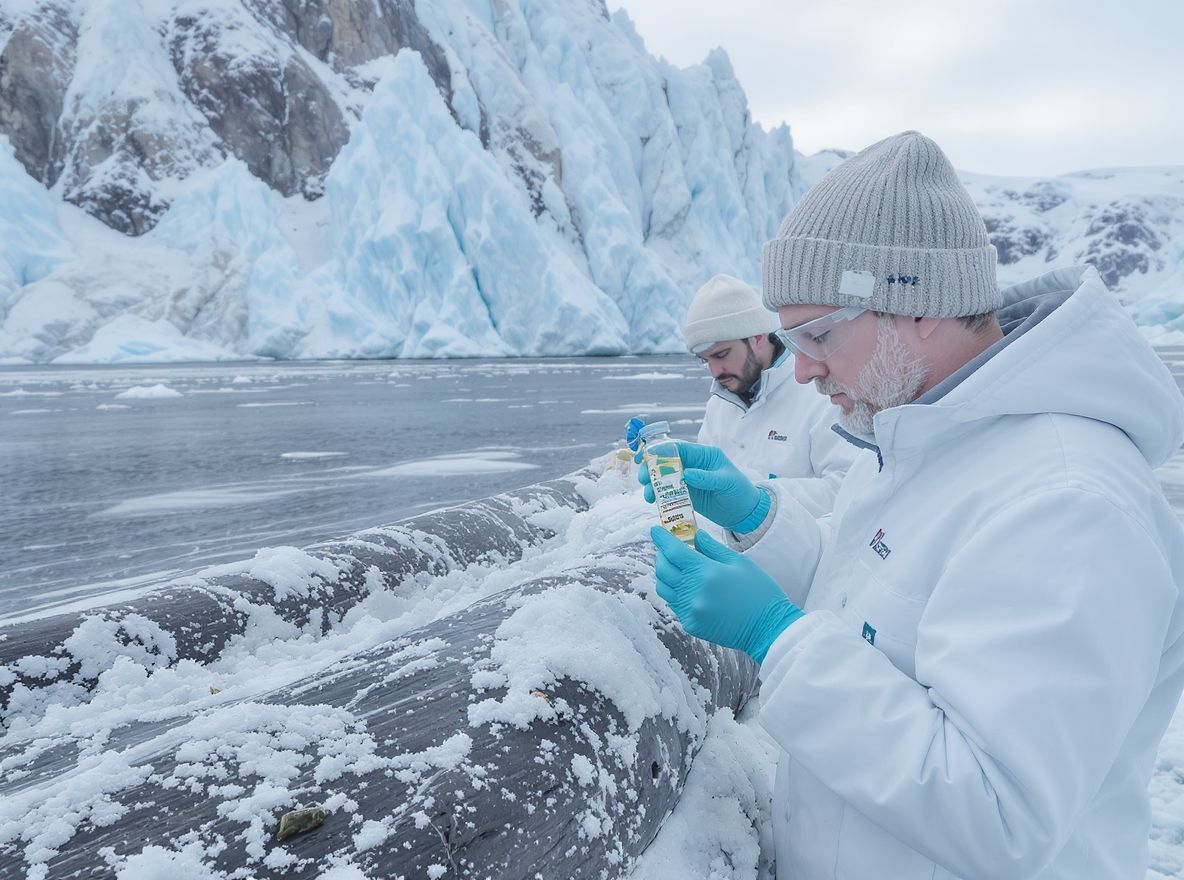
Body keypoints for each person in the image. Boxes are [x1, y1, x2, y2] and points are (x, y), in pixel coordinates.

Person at [642, 131, 1184, 880]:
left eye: (819, 332)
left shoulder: (1070, 501)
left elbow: (1000, 813)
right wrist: (754, 517)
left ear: (918, 306)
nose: (801, 370)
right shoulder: (917, 433)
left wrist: (776, 637)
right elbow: (866, 591)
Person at [684, 274, 854, 516]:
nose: (714, 372)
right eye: (705, 360)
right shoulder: (719, 406)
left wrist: (756, 497)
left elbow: (847, 489)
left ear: (758, 337)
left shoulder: (819, 393)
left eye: (721, 355)